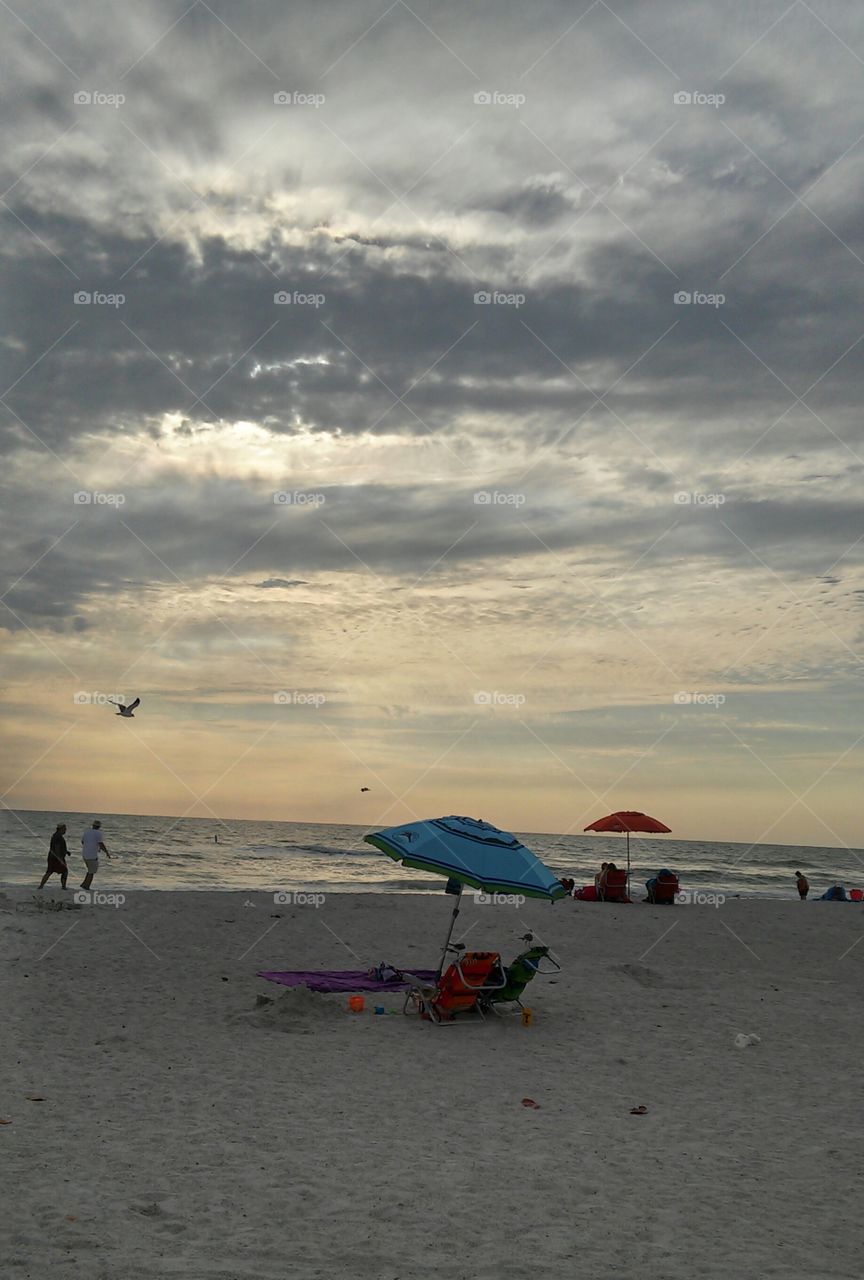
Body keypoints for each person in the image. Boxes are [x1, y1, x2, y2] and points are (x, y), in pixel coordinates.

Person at [80, 819, 111, 890]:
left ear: (93, 825)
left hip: (84, 854)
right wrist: (106, 852)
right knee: (92, 871)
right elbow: (101, 844)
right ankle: (87, 886)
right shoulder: (98, 833)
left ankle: (84, 884)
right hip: (92, 855)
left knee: (90, 870)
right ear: (99, 827)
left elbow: (83, 842)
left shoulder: (86, 832)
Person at [39, 822, 70, 890]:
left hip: (52, 857)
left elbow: (57, 847)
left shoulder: (56, 835)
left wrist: (66, 852)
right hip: (56, 858)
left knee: (49, 871)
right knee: (65, 871)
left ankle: (41, 886)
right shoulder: (58, 836)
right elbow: (57, 848)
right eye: (64, 829)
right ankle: (63, 887)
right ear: (61, 829)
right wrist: (60, 859)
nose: (65, 830)